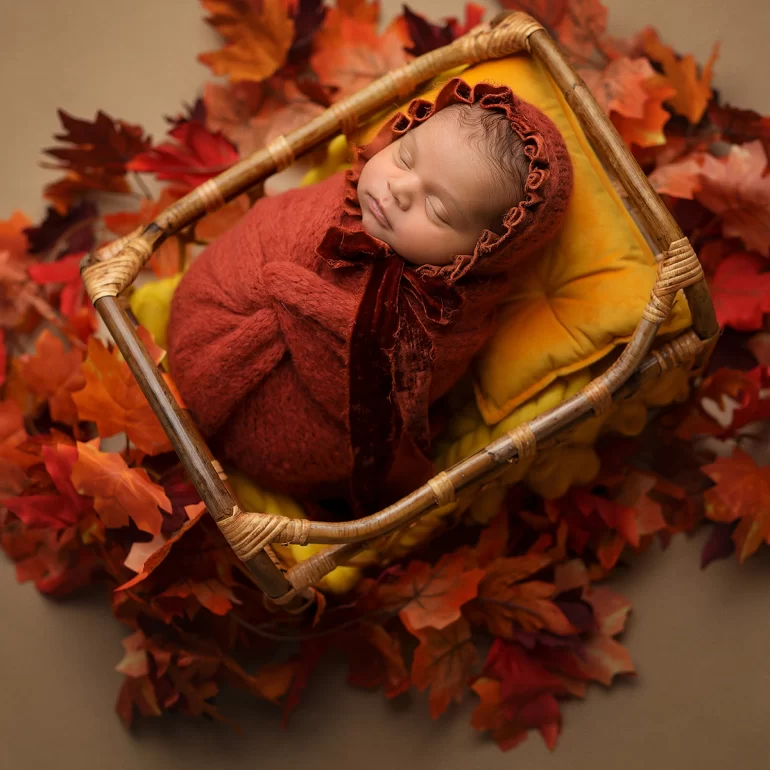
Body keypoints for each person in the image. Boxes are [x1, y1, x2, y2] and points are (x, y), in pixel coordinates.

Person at [166, 78, 573, 515]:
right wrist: (284, 289)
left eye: (437, 209)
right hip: (207, 315)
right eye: (405, 157)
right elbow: (268, 225)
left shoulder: (444, 315)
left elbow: (386, 399)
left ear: (482, 251)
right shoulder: (339, 195)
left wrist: (312, 307)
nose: (399, 188)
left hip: (289, 439)